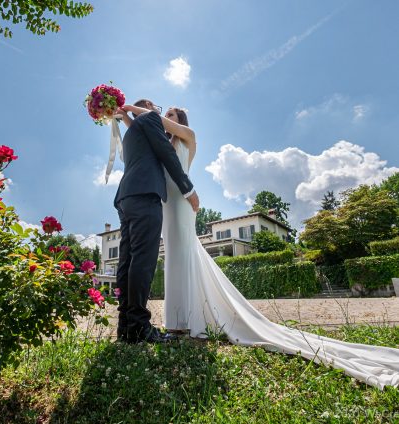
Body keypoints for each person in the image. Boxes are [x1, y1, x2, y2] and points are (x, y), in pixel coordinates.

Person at [119, 103, 399, 389]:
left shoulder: (188, 136)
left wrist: (131, 108)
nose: (166, 118)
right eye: (165, 115)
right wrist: (123, 117)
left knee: (185, 253)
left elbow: (155, 122)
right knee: (174, 259)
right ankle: (176, 320)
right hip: (166, 206)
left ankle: (190, 320)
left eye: (171, 115)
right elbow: (145, 129)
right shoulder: (158, 140)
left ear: (180, 120)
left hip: (182, 202)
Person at [114, 99, 199, 344]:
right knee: (143, 260)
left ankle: (126, 326)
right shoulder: (149, 120)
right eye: (160, 110)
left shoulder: (133, 134)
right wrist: (189, 190)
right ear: (151, 110)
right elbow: (167, 156)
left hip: (126, 197)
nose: (162, 115)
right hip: (146, 195)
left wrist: (126, 114)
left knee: (127, 260)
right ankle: (139, 326)